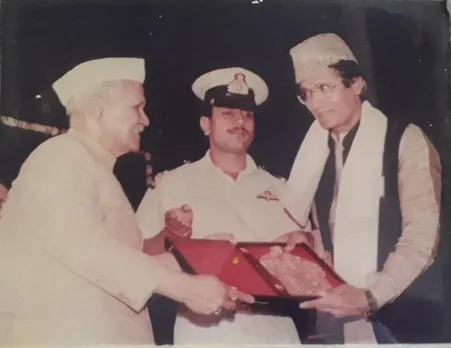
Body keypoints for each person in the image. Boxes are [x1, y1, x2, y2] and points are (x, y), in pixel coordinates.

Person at [0, 57, 253, 345]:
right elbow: (81, 244)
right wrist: (182, 287)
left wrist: (196, 256)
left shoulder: (98, 171)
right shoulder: (60, 156)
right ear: (98, 108)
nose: (145, 120)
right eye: (137, 107)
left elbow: (124, 265)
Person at [279, 33, 443, 343]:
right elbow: (334, 233)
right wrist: (308, 242)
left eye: (324, 88)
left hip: (405, 320)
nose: (315, 103)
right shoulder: (318, 156)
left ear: (356, 84)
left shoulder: (405, 141)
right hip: (343, 321)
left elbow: (422, 237)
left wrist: (370, 296)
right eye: (306, 93)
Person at [136, 67, 305, 344]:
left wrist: (303, 245)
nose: (240, 121)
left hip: (276, 330)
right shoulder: (172, 184)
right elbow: (138, 254)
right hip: (205, 331)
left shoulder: (281, 188)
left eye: (247, 115)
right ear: (206, 124)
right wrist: (170, 235)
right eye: (228, 113)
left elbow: (307, 263)